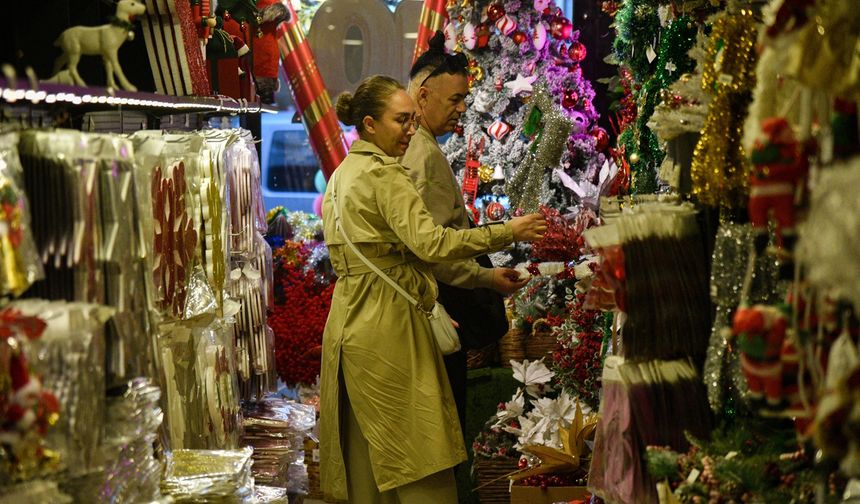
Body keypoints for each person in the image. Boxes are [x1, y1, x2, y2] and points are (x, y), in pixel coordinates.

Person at [319, 74, 546, 504]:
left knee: (368, 454)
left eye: (411, 120)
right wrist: (507, 231)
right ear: (369, 124)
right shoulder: (385, 175)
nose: (411, 129)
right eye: (401, 120)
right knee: (422, 451)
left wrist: (481, 276)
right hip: (390, 327)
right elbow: (433, 243)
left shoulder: (342, 175)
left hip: (348, 326)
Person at [401, 31, 527, 436]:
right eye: (455, 99)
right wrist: (489, 271)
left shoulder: (409, 148)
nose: (462, 109)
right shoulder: (421, 153)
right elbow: (436, 246)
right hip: (439, 308)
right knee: (441, 432)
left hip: (419, 310)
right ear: (423, 96)